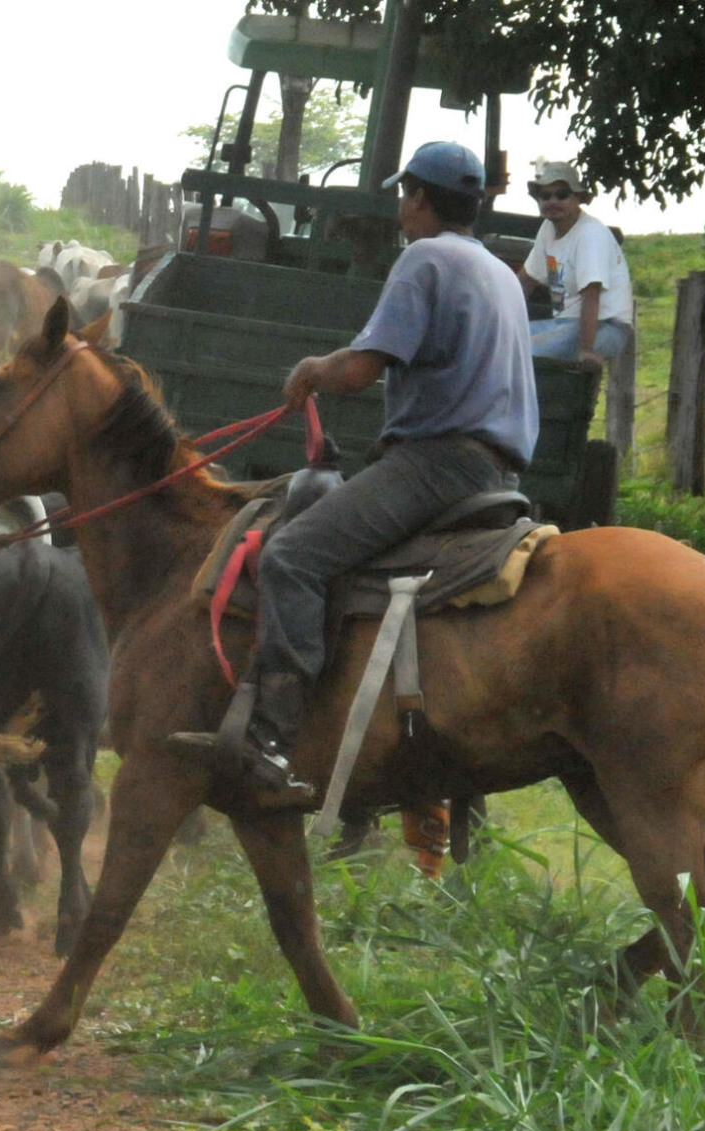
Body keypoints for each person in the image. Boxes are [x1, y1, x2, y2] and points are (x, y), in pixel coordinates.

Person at [171, 141, 537, 802]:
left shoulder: (425, 259)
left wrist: (313, 370)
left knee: (293, 556)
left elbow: (361, 370)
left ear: (421, 198)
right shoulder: (500, 272)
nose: (402, 207)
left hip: (437, 464)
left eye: (406, 195)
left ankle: (273, 742)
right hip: (500, 475)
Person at [519, 159, 633, 370]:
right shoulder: (547, 229)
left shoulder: (590, 234)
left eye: (561, 195)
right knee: (507, 340)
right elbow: (525, 281)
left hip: (604, 327)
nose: (552, 201)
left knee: (521, 352)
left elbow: (592, 294)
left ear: (577, 198)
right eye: (545, 196)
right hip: (564, 324)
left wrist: (587, 350)